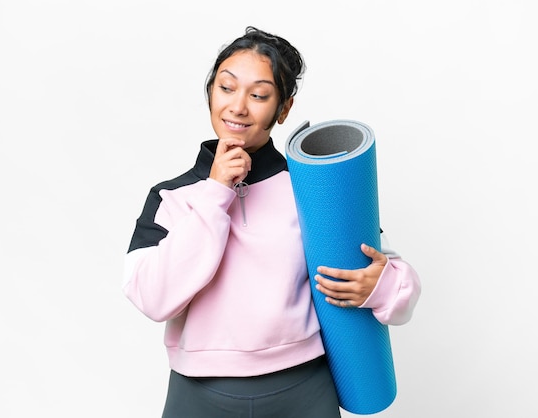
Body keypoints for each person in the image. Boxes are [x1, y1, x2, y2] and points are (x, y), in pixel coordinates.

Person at [123, 26, 421, 418]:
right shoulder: (170, 197)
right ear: (210, 92)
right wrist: (215, 193)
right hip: (198, 394)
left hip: (303, 388)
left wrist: (381, 286)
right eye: (226, 88)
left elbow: (393, 277)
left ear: (284, 109)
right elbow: (151, 298)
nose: (238, 107)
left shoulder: (312, 190)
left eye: (259, 95)